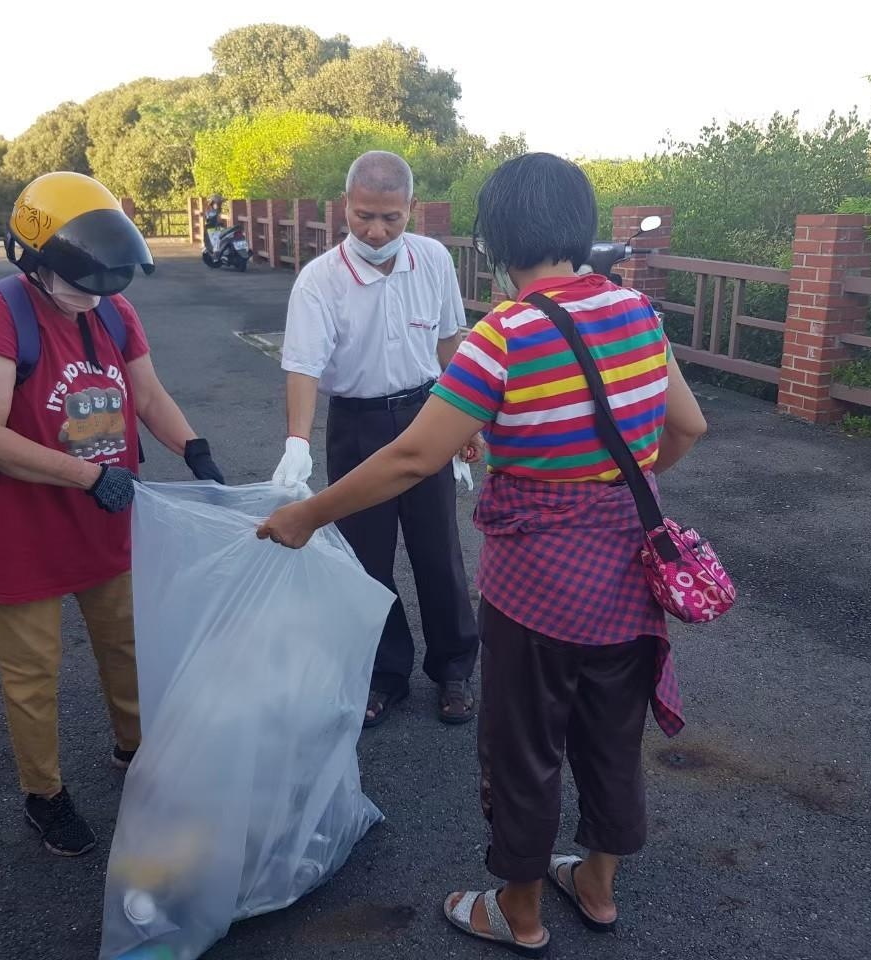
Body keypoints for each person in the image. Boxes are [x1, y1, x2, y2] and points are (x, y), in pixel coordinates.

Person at [258, 153, 708, 955]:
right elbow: (687, 428)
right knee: (611, 735)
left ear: (495, 242)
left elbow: (409, 459)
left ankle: (521, 910)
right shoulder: (640, 315)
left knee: (525, 743)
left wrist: (306, 514)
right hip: (630, 582)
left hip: (537, 591)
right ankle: (597, 884)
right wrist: (615, 482)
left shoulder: (506, 336)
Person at [0, 171, 225, 857]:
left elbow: (148, 395)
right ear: (32, 262)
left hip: (104, 519)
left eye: (106, 286)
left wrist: (195, 449)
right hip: (21, 529)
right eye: (81, 285)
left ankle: (135, 753)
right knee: (33, 675)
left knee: (129, 646)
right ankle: (45, 795)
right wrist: (88, 473)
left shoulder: (112, 310)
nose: (94, 300)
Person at [271, 150, 481, 728]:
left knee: (439, 550)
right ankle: (383, 673)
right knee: (365, 560)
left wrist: (467, 421)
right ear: (346, 206)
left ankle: (454, 668)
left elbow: (448, 342)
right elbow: (304, 367)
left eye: (391, 217)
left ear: (411, 210)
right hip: (357, 423)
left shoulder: (434, 260)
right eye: (364, 216)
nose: (376, 230)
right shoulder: (319, 281)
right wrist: (298, 441)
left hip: (426, 412)